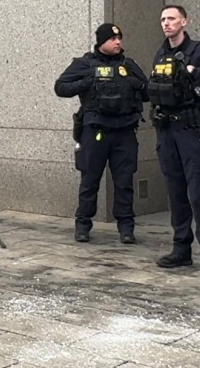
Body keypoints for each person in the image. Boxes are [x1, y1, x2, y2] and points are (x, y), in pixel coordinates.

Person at [147, 5, 200, 277]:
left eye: (171, 18)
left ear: (184, 22)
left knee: (197, 194)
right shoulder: (161, 54)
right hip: (167, 131)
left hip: (191, 131)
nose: (166, 23)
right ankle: (181, 250)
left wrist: (196, 72)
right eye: (163, 19)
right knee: (176, 193)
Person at [55, 23, 148, 244]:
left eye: (119, 38)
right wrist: (88, 81)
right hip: (95, 130)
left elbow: (148, 91)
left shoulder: (128, 65)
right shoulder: (85, 64)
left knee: (124, 181)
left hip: (124, 131)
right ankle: (83, 225)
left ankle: (126, 227)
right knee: (90, 179)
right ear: (101, 42)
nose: (118, 42)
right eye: (113, 39)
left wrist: (132, 82)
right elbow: (61, 87)